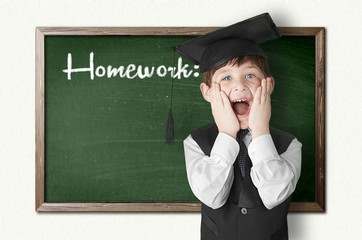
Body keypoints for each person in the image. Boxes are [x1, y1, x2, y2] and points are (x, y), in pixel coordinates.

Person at [174, 13, 302, 240]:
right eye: (226, 78)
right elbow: (211, 196)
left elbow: (275, 195)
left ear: (268, 85)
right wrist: (226, 134)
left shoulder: (289, 144)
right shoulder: (195, 142)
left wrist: (261, 130)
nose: (239, 86)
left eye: (250, 75)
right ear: (207, 92)